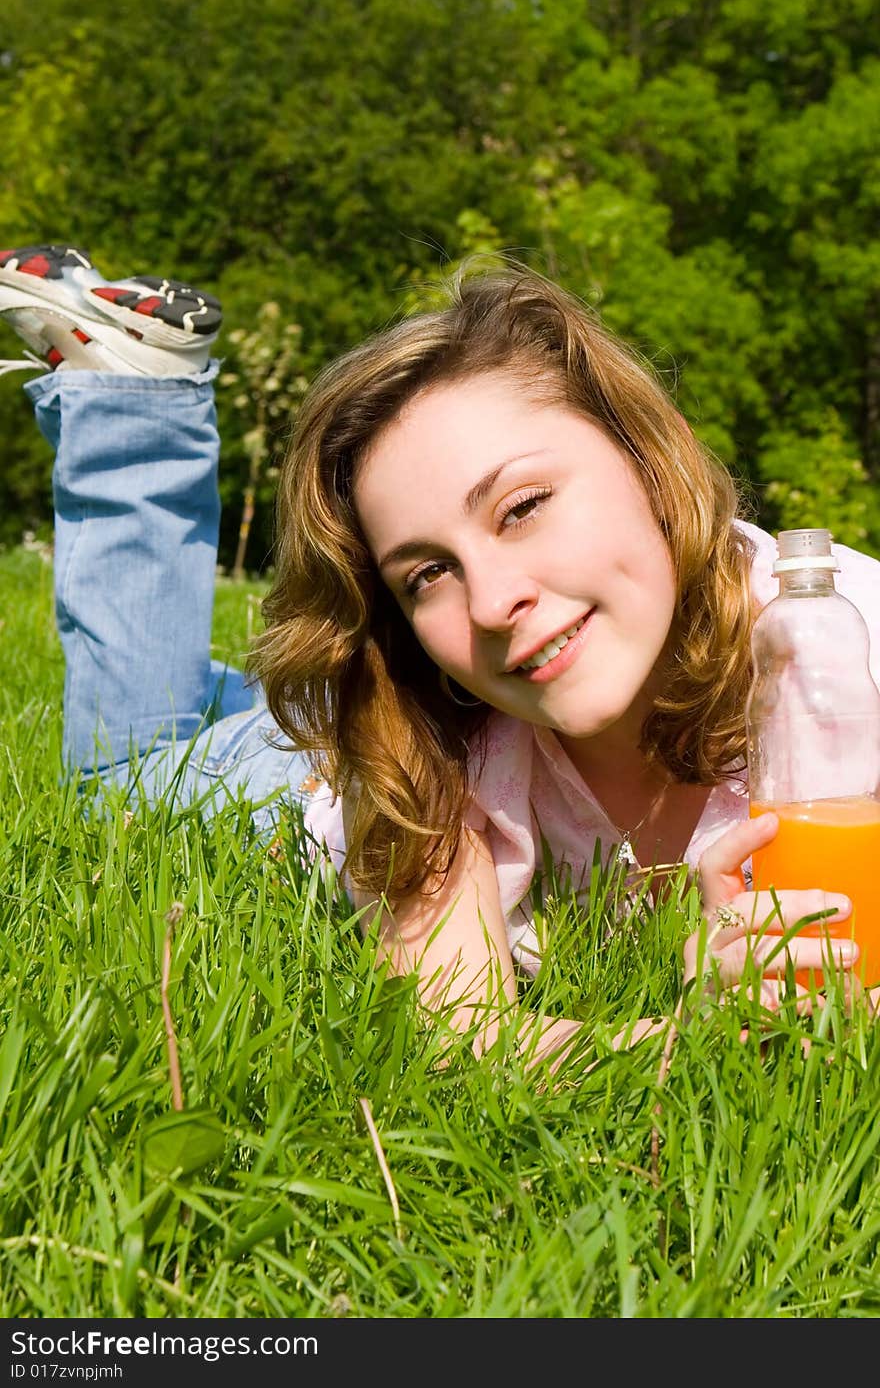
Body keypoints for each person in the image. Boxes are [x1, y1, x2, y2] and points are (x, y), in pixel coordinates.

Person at [1, 242, 876, 1072]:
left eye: (523, 505)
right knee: (122, 775)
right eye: (427, 574)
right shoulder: (416, 733)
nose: (494, 603)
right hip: (305, 776)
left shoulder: (843, 652)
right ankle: (131, 406)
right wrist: (693, 1036)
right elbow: (467, 1033)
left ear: (656, 457)